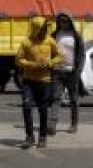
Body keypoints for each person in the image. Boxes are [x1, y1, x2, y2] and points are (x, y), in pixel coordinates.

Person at [15, 16, 62, 148]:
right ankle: (29, 137)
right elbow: (18, 59)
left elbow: (60, 55)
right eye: (41, 29)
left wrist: (50, 63)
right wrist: (31, 65)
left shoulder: (49, 41)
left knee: (43, 110)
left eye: (45, 29)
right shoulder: (26, 42)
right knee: (27, 107)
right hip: (29, 81)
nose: (43, 31)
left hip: (45, 81)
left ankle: (42, 137)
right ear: (35, 29)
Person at [48, 13, 85, 135]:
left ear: (70, 21)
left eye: (65, 20)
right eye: (60, 21)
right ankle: (52, 125)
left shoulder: (76, 36)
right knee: (56, 98)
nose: (63, 23)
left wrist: (78, 70)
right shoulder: (54, 35)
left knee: (74, 99)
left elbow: (81, 55)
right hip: (57, 72)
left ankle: (74, 124)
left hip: (72, 73)